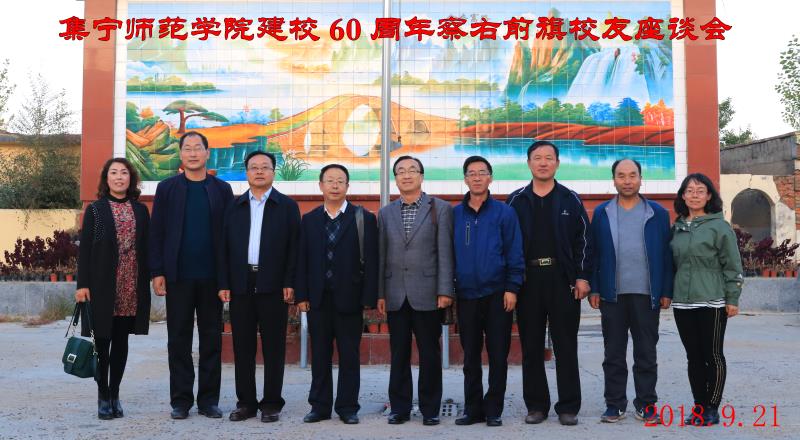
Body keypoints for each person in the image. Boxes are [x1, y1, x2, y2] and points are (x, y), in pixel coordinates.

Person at [507, 140, 593, 426]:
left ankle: (568, 407)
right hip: (528, 281)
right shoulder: (516, 200)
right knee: (531, 347)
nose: (543, 162)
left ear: (557, 163)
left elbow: (584, 241)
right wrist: (511, 284)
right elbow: (506, 243)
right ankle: (536, 406)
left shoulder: (570, 199)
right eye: (537, 158)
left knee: (565, 345)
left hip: (562, 281)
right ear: (529, 163)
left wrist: (582, 276)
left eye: (548, 158)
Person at [148, 131, 234, 420]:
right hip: (178, 277)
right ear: (181, 154)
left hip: (212, 279)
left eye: (198, 148)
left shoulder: (221, 189)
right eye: (188, 148)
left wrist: (226, 279)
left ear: (207, 153)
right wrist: (157, 271)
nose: (193, 153)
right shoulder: (167, 188)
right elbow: (157, 232)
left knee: (211, 340)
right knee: (178, 340)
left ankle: (209, 401)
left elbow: (229, 237)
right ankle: (181, 401)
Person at [217, 151, 300, 423]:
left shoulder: (286, 206)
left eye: (265, 167)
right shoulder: (234, 206)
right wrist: (224, 282)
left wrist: (290, 281)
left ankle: (272, 403)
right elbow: (223, 248)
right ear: (247, 173)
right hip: (241, 283)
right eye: (254, 167)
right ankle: (246, 403)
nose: (260, 171)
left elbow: (294, 248)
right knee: (243, 347)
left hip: (274, 284)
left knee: (274, 347)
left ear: (274, 172)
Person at [588, 159, 673, 424]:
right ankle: (614, 404)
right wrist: (595, 287)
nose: (627, 181)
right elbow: (593, 253)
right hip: (612, 295)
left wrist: (666, 289)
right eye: (621, 175)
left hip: (647, 294)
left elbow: (666, 255)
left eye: (632, 175)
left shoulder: (657, 213)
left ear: (640, 178)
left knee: (646, 353)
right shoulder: (602, 212)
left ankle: (646, 404)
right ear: (613, 180)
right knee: (613, 353)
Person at [295, 164, 379, 425]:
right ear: (320, 185)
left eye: (340, 181)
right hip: (318, 299)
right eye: (329, 180)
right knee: (319, 355)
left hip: (350, 298)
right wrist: (302, 296)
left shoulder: (363, 218)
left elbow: (372, 261)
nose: (334, 185)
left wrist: (368, 298)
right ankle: (319, 406)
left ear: (347, 186)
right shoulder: (309, 220)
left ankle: (347, 407)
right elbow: (301, 260)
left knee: (349, 355)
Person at [378, 155, 454, 426]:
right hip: (395, 293)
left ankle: (430, 408)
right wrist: (380, 293)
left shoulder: (440, 208)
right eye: (401, 171)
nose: (406, 175)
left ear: (421, 176)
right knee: (398, 353)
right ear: (395, 178)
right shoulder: (386, 212)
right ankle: (399, 408)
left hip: (428, 292)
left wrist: (445, 290)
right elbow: (381, 256)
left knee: (429, 353)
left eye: (412, 170)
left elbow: (445, 252)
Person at [75, 158, 151, 420]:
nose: (119, 177)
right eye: (114, 173)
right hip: (102, 285)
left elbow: (147, 247)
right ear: (106, 179)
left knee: (121, 342)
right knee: (102, 342)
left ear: (131, 178)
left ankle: (115, 393)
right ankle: (103, 395)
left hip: (131, 284)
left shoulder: (140, 210)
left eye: (124, 173)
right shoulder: (96, 210)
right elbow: (85, 250)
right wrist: (82, 284)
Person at [452, 156, 524, 427]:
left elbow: (514, 251)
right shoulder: (455, 214)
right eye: (471, 173)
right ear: (465, 179)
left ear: (490, 178)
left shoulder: (504, 213)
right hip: (466, 295)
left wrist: (512, 288)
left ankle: (494, 409)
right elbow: (447, 254)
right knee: (470, 356)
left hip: (497, 294)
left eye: (482, 173)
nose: (477, 177)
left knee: (497, 354)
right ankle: (472, 409)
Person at [670, 173, 743, 426]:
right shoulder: (677, 228)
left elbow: (732, 265)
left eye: (700, 190)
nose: (694, 195)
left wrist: (732, 298)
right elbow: (672, 264)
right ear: (683, 196)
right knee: (693, 356)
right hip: (683, 302)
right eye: (689, 191)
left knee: (713, 355)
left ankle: (712, 407)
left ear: (709, 196)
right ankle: (699, 406)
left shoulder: (719, 227)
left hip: (712, 300)